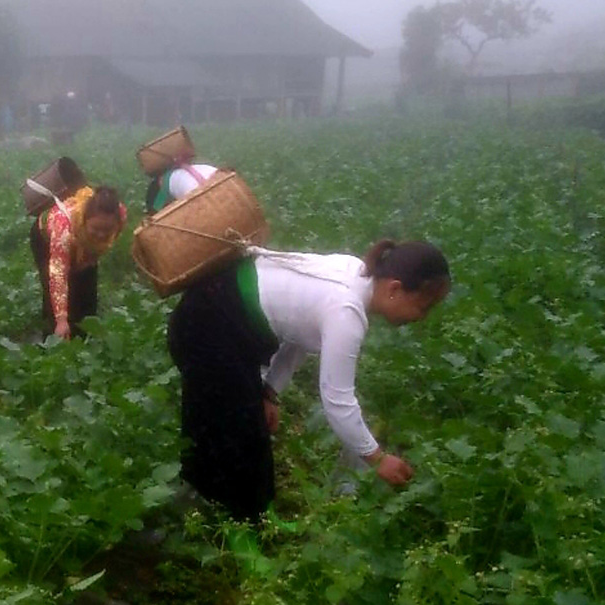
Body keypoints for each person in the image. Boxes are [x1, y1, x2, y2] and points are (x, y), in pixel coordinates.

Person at [167, 239, 450, 520]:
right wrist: (377, 459)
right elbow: (338, 400)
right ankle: (242, 530)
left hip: (214, 313)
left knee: (225, 424)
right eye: (422, 307)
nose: (421, 318)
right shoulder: (346, 311)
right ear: (395, 289)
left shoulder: (356, 274)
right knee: (238, 438)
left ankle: (213, 507)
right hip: (208, 323)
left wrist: (269, 392)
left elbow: (299, 333)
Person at [29, 184, 127, 340]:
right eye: (96, 229)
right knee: (54, 292)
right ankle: (53, 341)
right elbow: (58, 277)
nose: (101, 235)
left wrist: (87, 259)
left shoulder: (120, 213)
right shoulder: (64, 231)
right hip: (45, 239)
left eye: (107, 230)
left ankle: (84, 337)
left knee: (86, 286)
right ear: (85, 220)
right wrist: (61, 321)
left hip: (82, 242)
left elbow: (100, 244)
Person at [144, 150, 217, 213]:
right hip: (220, 179)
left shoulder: (163, 183)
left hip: (196, 196)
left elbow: (156, 212)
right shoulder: (200, 167)